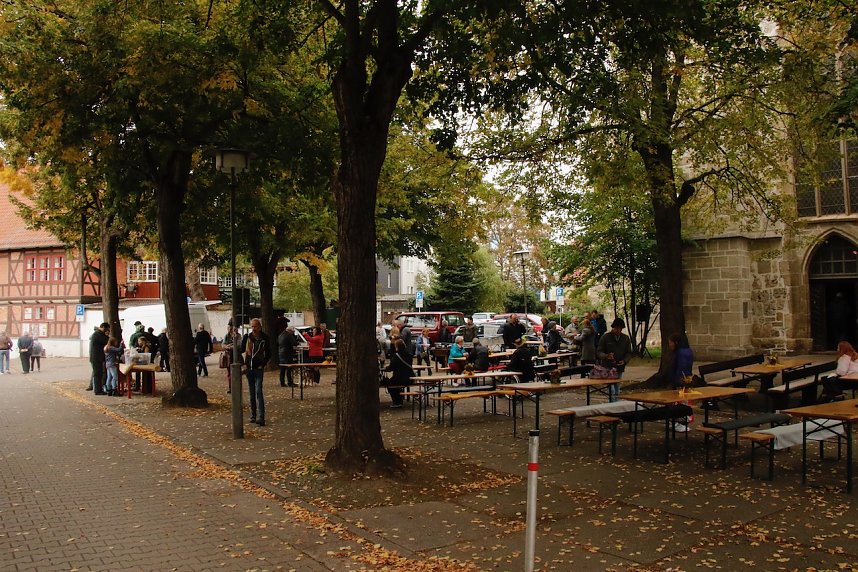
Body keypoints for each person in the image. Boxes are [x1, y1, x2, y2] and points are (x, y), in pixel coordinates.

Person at [241, 318, 272, 426]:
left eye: (256, 326)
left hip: (258, 368)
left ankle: (261, 416)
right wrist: (244, 364)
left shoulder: (265, 338)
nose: (254, 328)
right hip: (249, 367)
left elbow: (269, 353)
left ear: (260, 327)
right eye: (252, 326)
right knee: (252, 392)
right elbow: (241, 350)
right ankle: (253, 415)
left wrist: (262, 364)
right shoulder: (247, 338)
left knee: (258, 390)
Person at [596, 318, 632, 399]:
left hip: (619, 366)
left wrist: (625, 361)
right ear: (613, 327)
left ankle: (616, 404)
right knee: (611, 389)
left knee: (617, 388)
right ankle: (612, 403)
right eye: (616, 328)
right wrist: (606, 356)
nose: (618, 330)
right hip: (608, 366)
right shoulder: (605, 337)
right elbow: (599, 351)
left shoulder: (625, 338)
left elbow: (629, 352)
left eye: (620, 328)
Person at [384, 338, 413, 408]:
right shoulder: (409, 354)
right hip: (410, 377)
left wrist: (386, 369)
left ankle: (397, 401)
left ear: (396, 346)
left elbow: (391, 368)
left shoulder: (396, 356)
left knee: (389, 383)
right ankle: (399, 400)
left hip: (399, 378)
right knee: (394, 383)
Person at [89, 323, 109, 395]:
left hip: (97, 357)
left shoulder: (97, 334)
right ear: (103, 327)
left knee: (98, 374)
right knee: (98, 374)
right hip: (96, 358)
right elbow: (106, 340)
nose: (107, 331)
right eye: (106, 329)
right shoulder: (98, 334)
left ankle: (98, 389)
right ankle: (98, 390)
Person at [223, 325, 239, 393]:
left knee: (236, 372)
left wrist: (229, 346)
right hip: (229, 356)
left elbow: (238, 345)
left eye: (231, 328)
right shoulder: (226, 336)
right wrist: (230, 346)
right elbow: (223, 345)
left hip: (236, 356)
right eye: (229, 328)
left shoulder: (238, 335)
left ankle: (236, 387)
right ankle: (230, 388)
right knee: (229, 373)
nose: (230, 330)